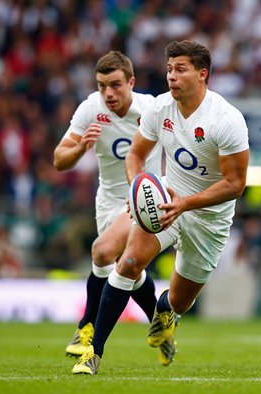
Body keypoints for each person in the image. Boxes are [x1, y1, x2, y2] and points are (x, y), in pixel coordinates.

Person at [72, 40, 250, 375]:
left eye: (180, 69)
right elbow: (136, 154)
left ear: (202, 74)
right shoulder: (158, 109)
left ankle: (165, 311)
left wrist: (187, 204)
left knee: (181, 301)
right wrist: (136, 184)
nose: (171, 76)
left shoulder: (227, 119)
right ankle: (92, 353)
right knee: (129, 262)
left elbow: (235, 185)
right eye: (169, 69)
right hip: (168, 198)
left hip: (209, 218)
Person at [53, 51, 174, 366]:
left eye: (116, 85)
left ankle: (86, 328)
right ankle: (161, 325)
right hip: (107, 201)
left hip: (144, 198)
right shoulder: (90, 109)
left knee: (103, 251)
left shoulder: (152, 109)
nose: (108, 93)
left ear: (131, 82)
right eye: (102, 85)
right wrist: (80, 147)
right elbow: (59, 160)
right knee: (128, 270)